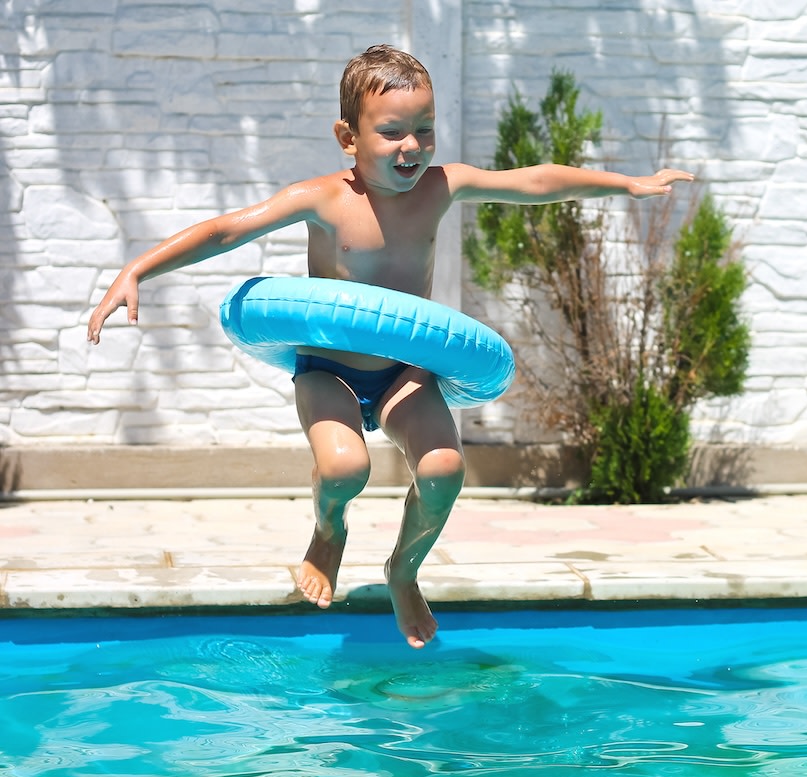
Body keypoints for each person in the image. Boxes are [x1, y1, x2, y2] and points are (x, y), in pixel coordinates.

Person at [87, 44, 694, 649]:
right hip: (331, 370)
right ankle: (329, 531)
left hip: (405, 372)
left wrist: (627, 184)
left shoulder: (441, 188)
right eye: (393, 132)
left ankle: (403, 570)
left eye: (425, 130)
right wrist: (137, 270)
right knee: (346, 467)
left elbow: (533, 181)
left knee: (444, 470)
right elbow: (228, 230)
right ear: (348, 137)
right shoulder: (323, 199)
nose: (412, 147)